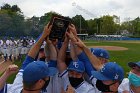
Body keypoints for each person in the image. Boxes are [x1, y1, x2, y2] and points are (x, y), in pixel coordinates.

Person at [0, 23, 57, 93]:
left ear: (23, 80)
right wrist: (49, 43)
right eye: (46, 77)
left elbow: (29, 58)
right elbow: (53, 61)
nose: (48, 78)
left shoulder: (15, 88)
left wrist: (6, 73)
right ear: (40, 82)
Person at [66, 24, 124, 93]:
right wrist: (74, 37)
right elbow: (85, 60)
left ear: (115, 85)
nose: (99, 80)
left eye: (104, 79)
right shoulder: (98, 84)